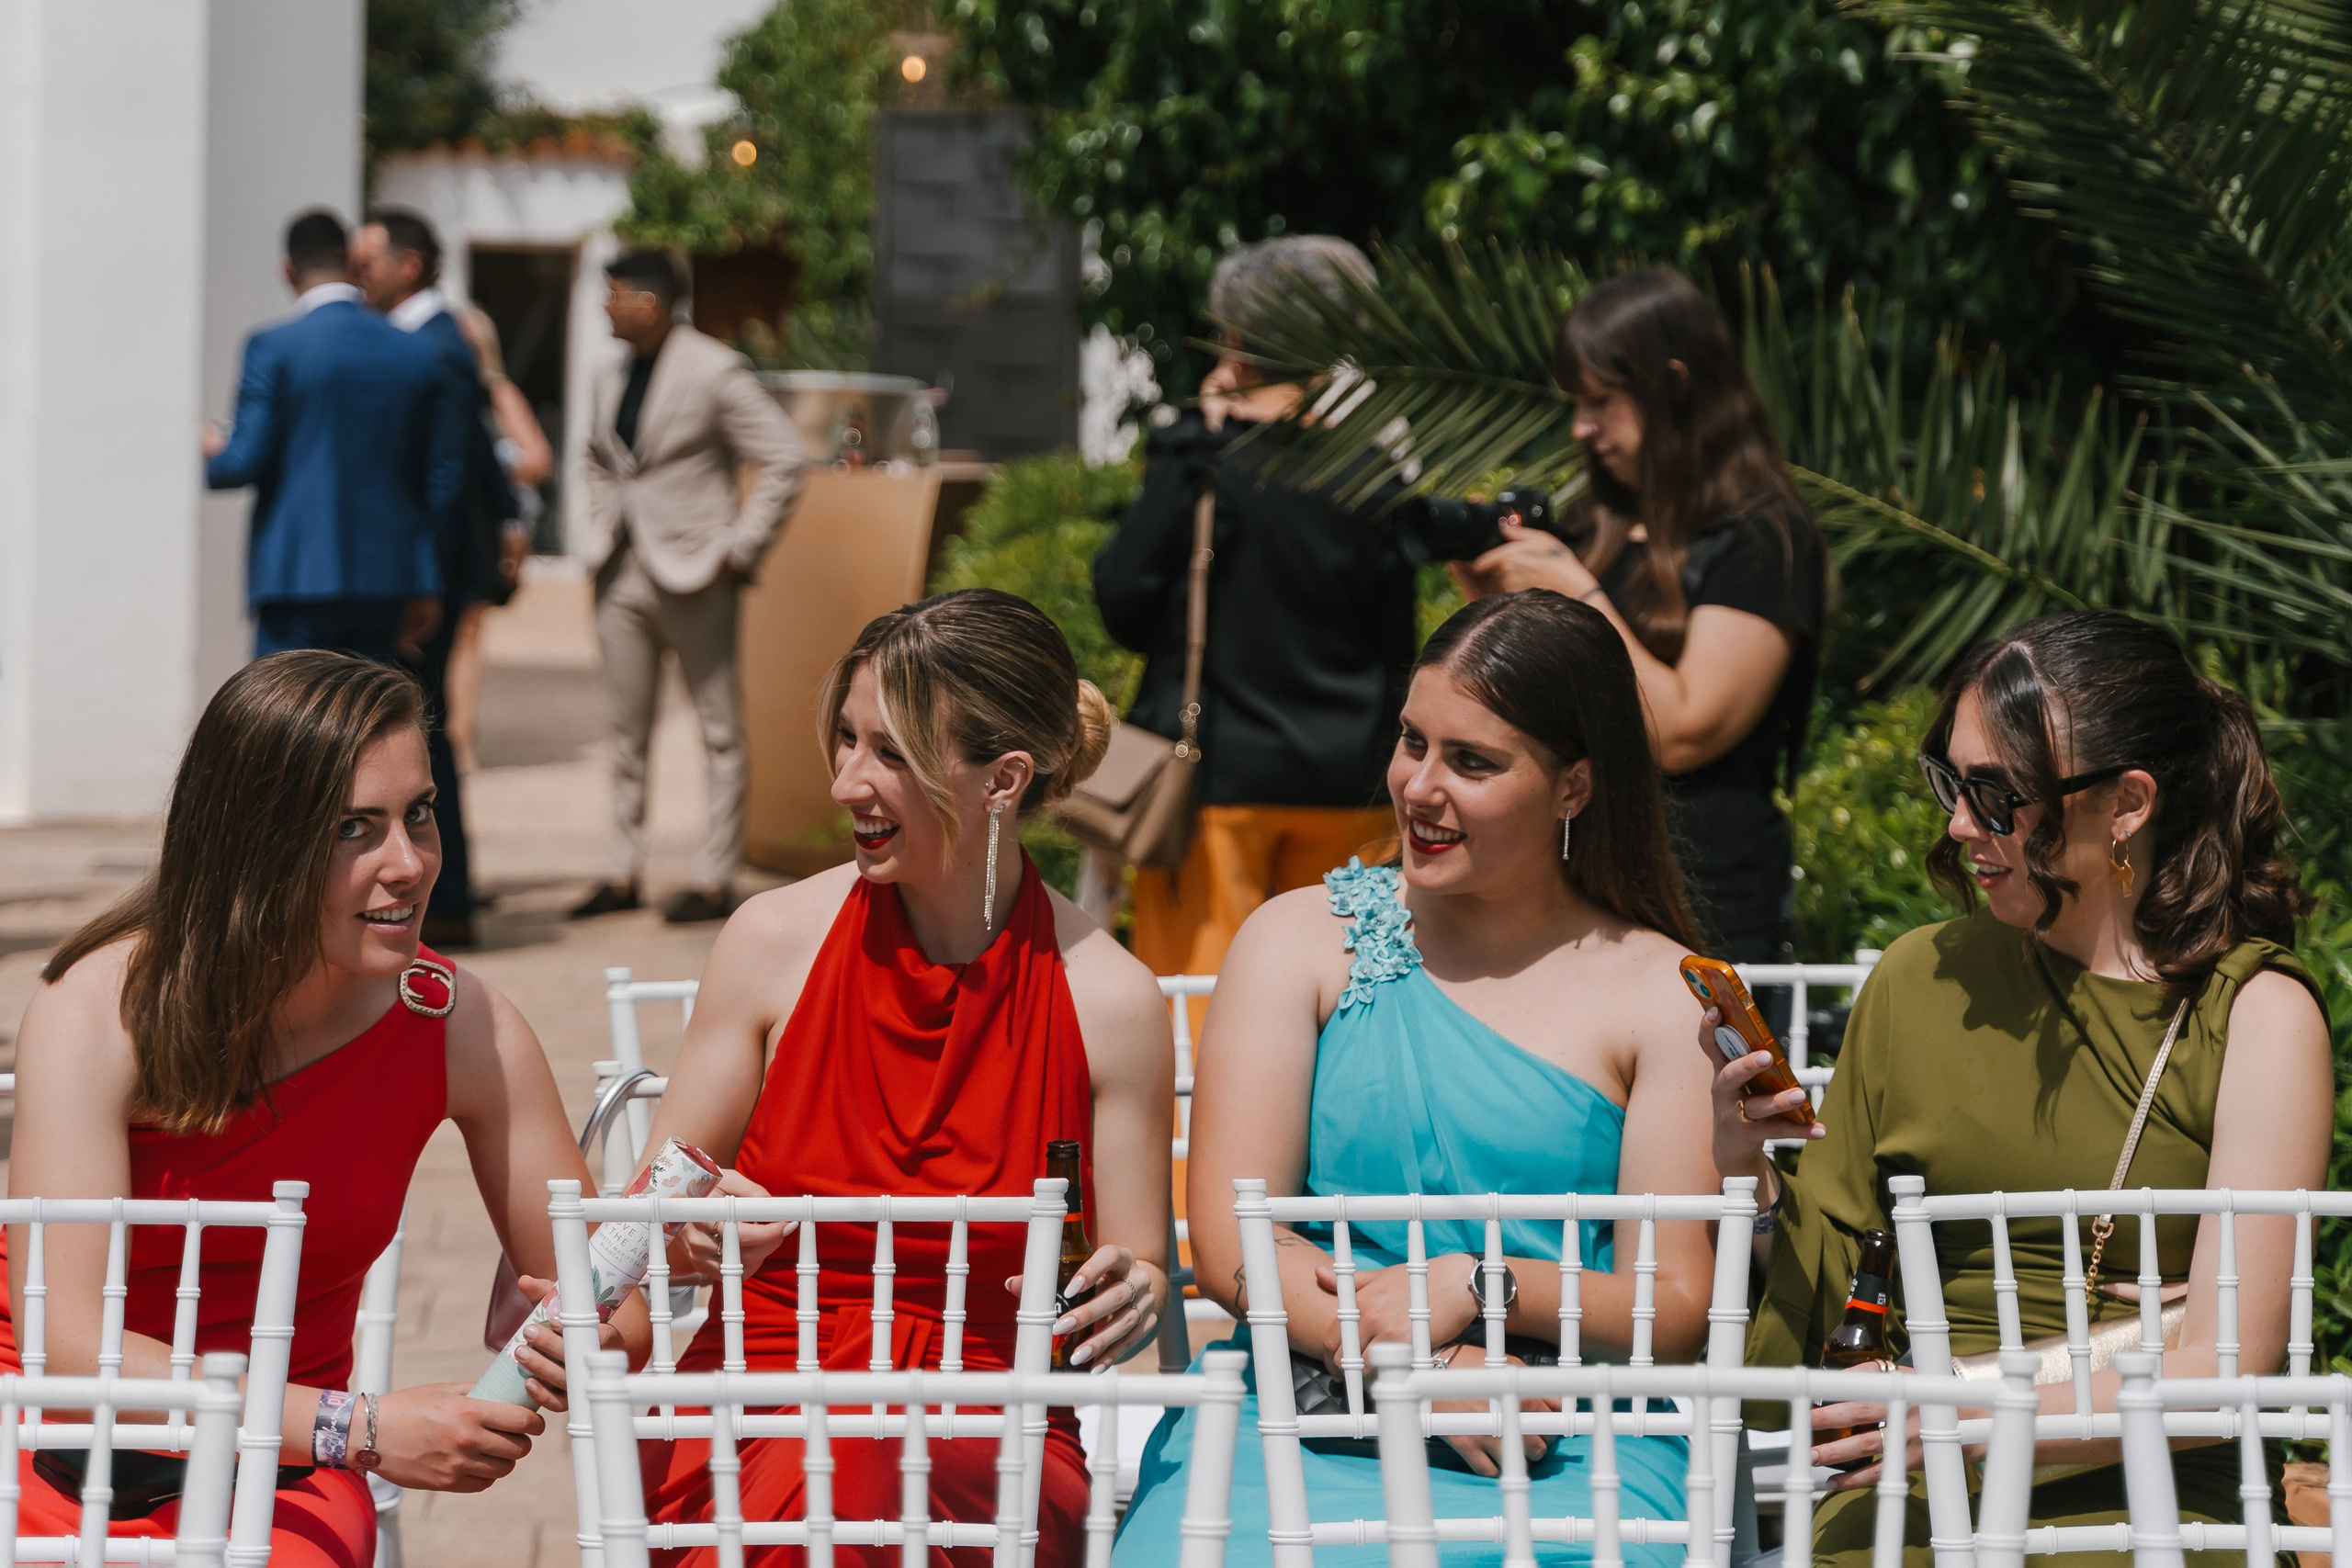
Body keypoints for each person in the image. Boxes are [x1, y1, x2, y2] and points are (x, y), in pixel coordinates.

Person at [1118, 590, 1723, 1567]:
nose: (1419, 787)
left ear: (1574, 786)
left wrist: (1482, 1286)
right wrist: (1413, 1358)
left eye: (1472, 762)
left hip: (1566, 1432)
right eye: (1412, 742)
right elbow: (1231, 1237)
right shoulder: (1295, 940)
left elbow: (1676, 1306)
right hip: (1301, 1403)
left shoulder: (1663, 992)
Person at [1713, 611, 2331, 1564]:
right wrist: (1749, 1172)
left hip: (2151, 1502)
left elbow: (2226, 1370)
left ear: (2127, 803)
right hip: (1911, 1494)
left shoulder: (2255, 1012)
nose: (1960, 825)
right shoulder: (1920, 977)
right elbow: (1831, 1305)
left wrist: (1961, 1422)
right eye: (1952, 784)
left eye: (1999, 796)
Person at [6, 650, 638, 1567]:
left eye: (419, 814)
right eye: (353, 828)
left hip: (282, 1466)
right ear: (254, 841)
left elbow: (617, 1324)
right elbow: (67, 1345)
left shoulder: (459, 1022)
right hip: (47, 1438)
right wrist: (364, 1427)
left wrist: (586, 1314)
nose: (409, 863)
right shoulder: (101, 1007)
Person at [633, 589, 1174, 1564]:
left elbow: (1136, 1267)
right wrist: (697, 1229)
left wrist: (1128, 1289)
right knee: (854, 1466)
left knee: (874, 1465)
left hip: (995, 1416)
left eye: (889, 752)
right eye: (845, 739)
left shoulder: (1111, 998)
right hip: (758, 1399)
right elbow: (642, 1223)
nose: (845, 782)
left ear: (1004, 779)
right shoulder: (771, 941)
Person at [1453, 267, 1825, 963]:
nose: (1581, 427)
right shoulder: (1594, 527)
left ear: (1675, 386)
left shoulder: (1762, 539)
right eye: (1577, 403)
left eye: (1601, 401)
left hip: (1701, 909)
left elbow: (1685, 731)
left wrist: (1576, 592)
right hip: (1567, 895)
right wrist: (1492, 603)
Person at [1093, 235, 1418, 982]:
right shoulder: (1373, 475)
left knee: (1206, 1011)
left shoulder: (1200, 457)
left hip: (1216, 782)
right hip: (1352, 781)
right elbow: (1396, 640)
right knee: (1347, 1000)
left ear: (1234, 340)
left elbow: (1123, 603)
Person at [571, 247, 808, 926]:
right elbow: (597, 458)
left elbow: (786, 456)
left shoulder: (713, 369)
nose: (604, 306)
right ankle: (621, 872)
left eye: (614, 293)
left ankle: (712, 878)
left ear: (648, 303)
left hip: (699, 573)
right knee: (624, 730)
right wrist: (596, 525)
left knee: (719, 730)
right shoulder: (608, 372)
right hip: (620, 569)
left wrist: (739, 548)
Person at [350, 208, 521, 951]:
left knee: (419, 729)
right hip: (422, 571)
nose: (359, 275)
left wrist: (418, 579)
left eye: (369, 262)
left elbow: (448, 474)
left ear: (410, 265)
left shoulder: (437, 345)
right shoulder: (424, 339)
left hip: (426, 578)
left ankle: (444, 894)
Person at [205, 210, 466, 664]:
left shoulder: (274, 347)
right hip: (388, 577)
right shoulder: (417, 351)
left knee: (287, 706)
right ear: (352, 263)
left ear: (287, 271)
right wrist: (427, 578)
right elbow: (442, 478)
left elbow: (242, 462)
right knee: (368, 704)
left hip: (296, 574)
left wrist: (211, 447)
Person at [444, 303, 554, 774]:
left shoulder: (498, 393)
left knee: (469, 630)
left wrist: (486, 472)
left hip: (484, 526)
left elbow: (538, 458)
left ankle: (459, 736)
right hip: (441, 524)